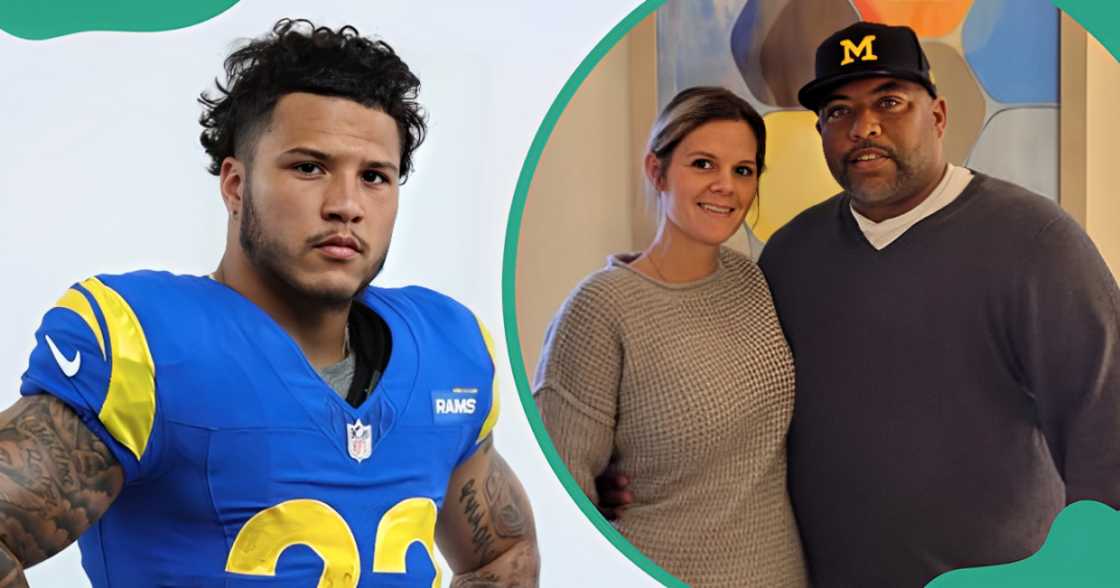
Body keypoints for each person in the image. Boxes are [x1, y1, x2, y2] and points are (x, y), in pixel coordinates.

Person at [0, 19, 538, 587]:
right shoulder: (154, 346)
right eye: (310, 167)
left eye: (375, 177)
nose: (346, 205)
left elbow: (502, 554)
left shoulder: (446, 351)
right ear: (235, 184)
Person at [601, 20, 1120, 587]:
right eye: (839, 111)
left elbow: (1106, 429)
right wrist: (622, 462)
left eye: (890, 102)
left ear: (938, 116)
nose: (863, 127)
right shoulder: (791, 255)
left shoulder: (1037, 242)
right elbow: (735, 400)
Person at [533, 86, 807, 587]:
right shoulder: (601, 308)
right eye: (703, 164)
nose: (726, 185)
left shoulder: (751, 281)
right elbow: (558, 494)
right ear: (657, 172)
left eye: (743, 171)